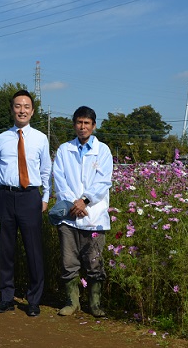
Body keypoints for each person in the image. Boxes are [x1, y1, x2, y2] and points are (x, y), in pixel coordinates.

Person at [0, 90, 52, 317]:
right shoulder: (2, 138)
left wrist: (45, 198)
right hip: (6, 197)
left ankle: (34, 299)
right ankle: (6, 297)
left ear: (32, 111)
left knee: (33, 250)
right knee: (6, 249)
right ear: (12, 109)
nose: (22, 110)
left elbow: (46, 170)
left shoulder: (40, 138)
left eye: (26, 106)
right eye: (18, 106)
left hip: (30, 197)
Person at [52, 106, 113, 317]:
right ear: (74, 125)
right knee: (69, 261)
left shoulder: (103, 150)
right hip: (69, 215)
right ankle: (72, 302)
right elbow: (59, 180)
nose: (82, 127)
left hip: (93, 214)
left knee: (93, 261)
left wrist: (84, 201)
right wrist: (73, 204)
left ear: (93, 126)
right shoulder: (64, 150)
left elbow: (103, 181)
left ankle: (95, 304)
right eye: (79, 122)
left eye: (87, 123)